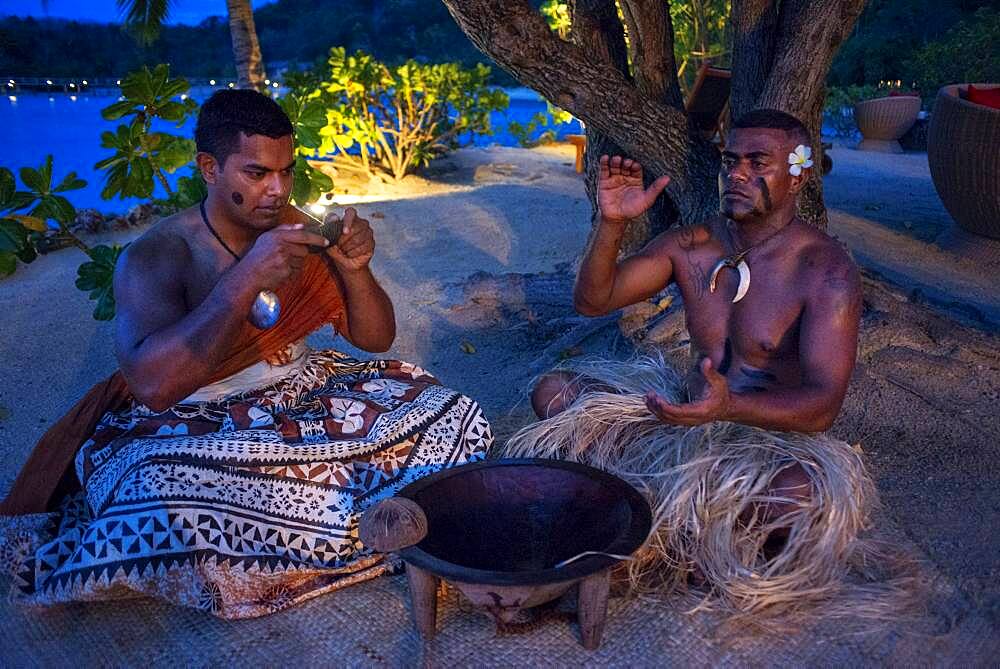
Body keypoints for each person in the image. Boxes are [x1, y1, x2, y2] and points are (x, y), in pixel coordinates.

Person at [1, 90, 492, 618]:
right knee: (159, 492)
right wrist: (245, 279)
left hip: (309, 392)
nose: (277, 190)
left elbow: (376, 339)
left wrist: (356, 268)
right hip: (199, 419)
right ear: (209, 168)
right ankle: (373, 523)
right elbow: (153, 388)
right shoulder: (154, 256)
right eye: (257, 174)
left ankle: (328, 533)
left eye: (285, 171)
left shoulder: (298, 227)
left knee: (453, 414)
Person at [506, 109, 877, 617]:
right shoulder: (694, 245)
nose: (737, 174)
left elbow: (821, 408)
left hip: (767, 438)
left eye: (756, 162)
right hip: (684, 417)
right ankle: (681, 521)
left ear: (799, 173)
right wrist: (612, 224)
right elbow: (594, 301)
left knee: (799, 494)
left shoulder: (825, 269)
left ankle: (676, 521)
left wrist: (728, 407)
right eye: (730, 162)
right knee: (554, 392)